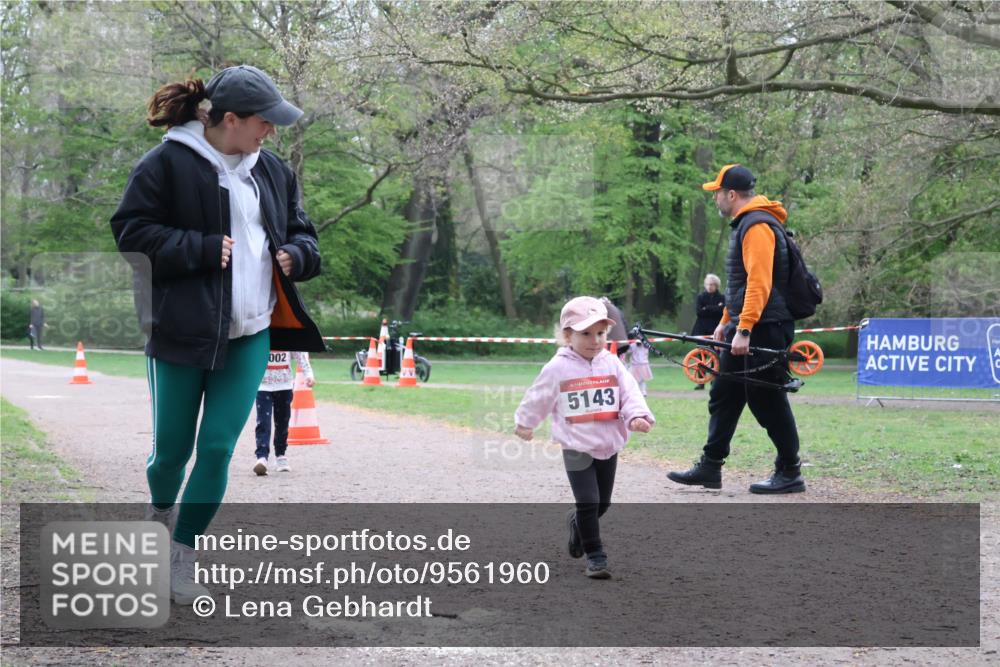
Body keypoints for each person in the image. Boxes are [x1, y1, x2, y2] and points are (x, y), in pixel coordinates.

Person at [110, 65, 326, 604]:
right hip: (180, 333)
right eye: (264, 122)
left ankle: (182, 552)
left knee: (216, 449)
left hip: (250, 333)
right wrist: (201, 248)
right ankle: (160, 521)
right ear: (230, 120)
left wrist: (297, 255)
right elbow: (130, 231)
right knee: (170, 455)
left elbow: (304, 232)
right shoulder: (164, 163)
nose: (270, 132)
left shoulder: (272, 171)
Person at [667, 165, 805, 494]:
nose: (715, 197)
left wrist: (743, 328)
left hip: (764, 326)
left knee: (767, 399)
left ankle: (790, 471)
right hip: (747, 324)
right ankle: (710, 467)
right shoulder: (746, 224)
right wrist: (726, 321)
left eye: (717, 192)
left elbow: (760, 281)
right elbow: (740, 283)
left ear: (731, 194)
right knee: (724, 396)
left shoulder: (757, 225)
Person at [514, 296, 655, 579]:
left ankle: (578, 524)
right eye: (586, 334)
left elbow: (629, 394)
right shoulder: (558, 367)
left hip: (608, 444)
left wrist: (637, 416)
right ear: (568, 336)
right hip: (576, 445)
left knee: (603, 503)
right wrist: (525, 423)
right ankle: (596, 555)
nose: (595, 340)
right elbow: (539, 396)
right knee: (588, 501)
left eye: (601, 333)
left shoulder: (612, 364)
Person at [254, 350, 314, 475]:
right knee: (263, 423)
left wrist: (308, 374)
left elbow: (299, 353)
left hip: (284, 385)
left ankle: (280, 456)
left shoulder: (288, 333)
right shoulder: (261, 331)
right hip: (263, 385)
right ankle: (262, 457)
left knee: (282, 422)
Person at [690, 274, 725, 390]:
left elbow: (722, 312)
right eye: (708, 284)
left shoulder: (722, 298)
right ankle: (701, 382)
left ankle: (714, 381)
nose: (710, 287)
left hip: (716, 331)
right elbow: (699, 312)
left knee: (715, 355)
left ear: (717, 286)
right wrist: (715, 307)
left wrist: (707, 308)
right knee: (701, 356)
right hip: (701, 330)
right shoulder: (701, 297)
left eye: (713, 285)